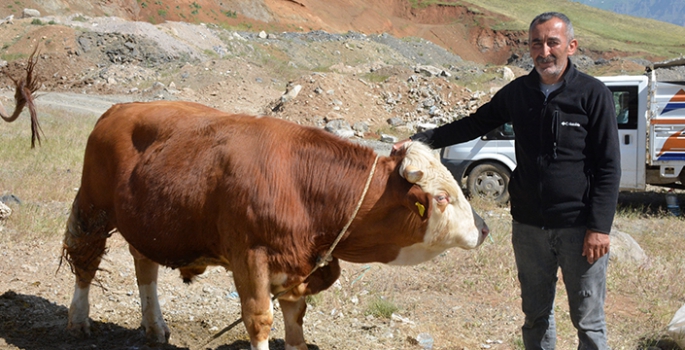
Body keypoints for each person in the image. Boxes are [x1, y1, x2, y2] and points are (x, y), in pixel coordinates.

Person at [394, 12, 620, 349]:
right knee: (535, 316)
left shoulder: (593, 94)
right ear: (529, 49)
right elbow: (473, 124)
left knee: (588, 321)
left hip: (579, 227)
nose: (544, 51)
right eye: (536, 43)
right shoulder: (518, 92)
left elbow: (608, 166)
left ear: (570, 46)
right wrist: (419, 141)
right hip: (528, 227)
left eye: (552, 42)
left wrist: (599, 227)